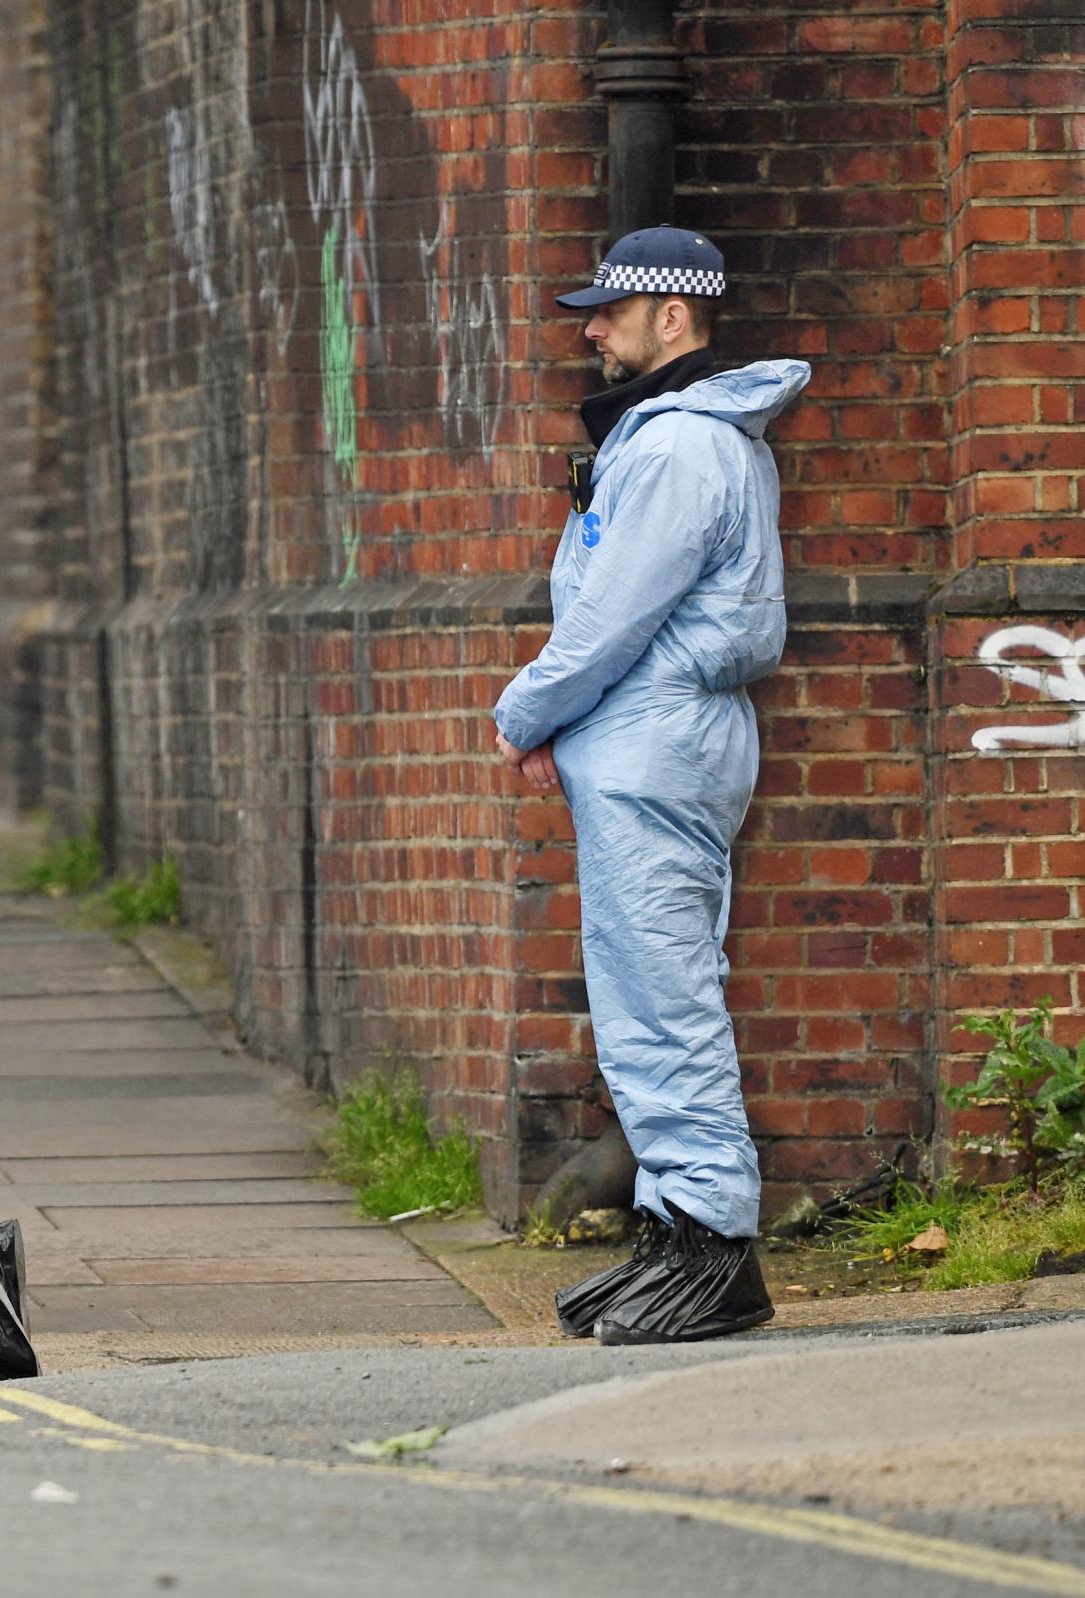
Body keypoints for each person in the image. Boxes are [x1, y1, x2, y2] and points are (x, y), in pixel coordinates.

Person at [493, 226, 810, 1346]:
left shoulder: (679, 449)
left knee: (661, 997)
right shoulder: (677, 439)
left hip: (652, 739)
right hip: (650, 735)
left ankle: (712, 1247)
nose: (591, 329)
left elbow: (611, 616)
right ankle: (678, 1236)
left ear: (672, 316)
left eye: (610, 312)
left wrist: (526, 712)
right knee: (647, 995)